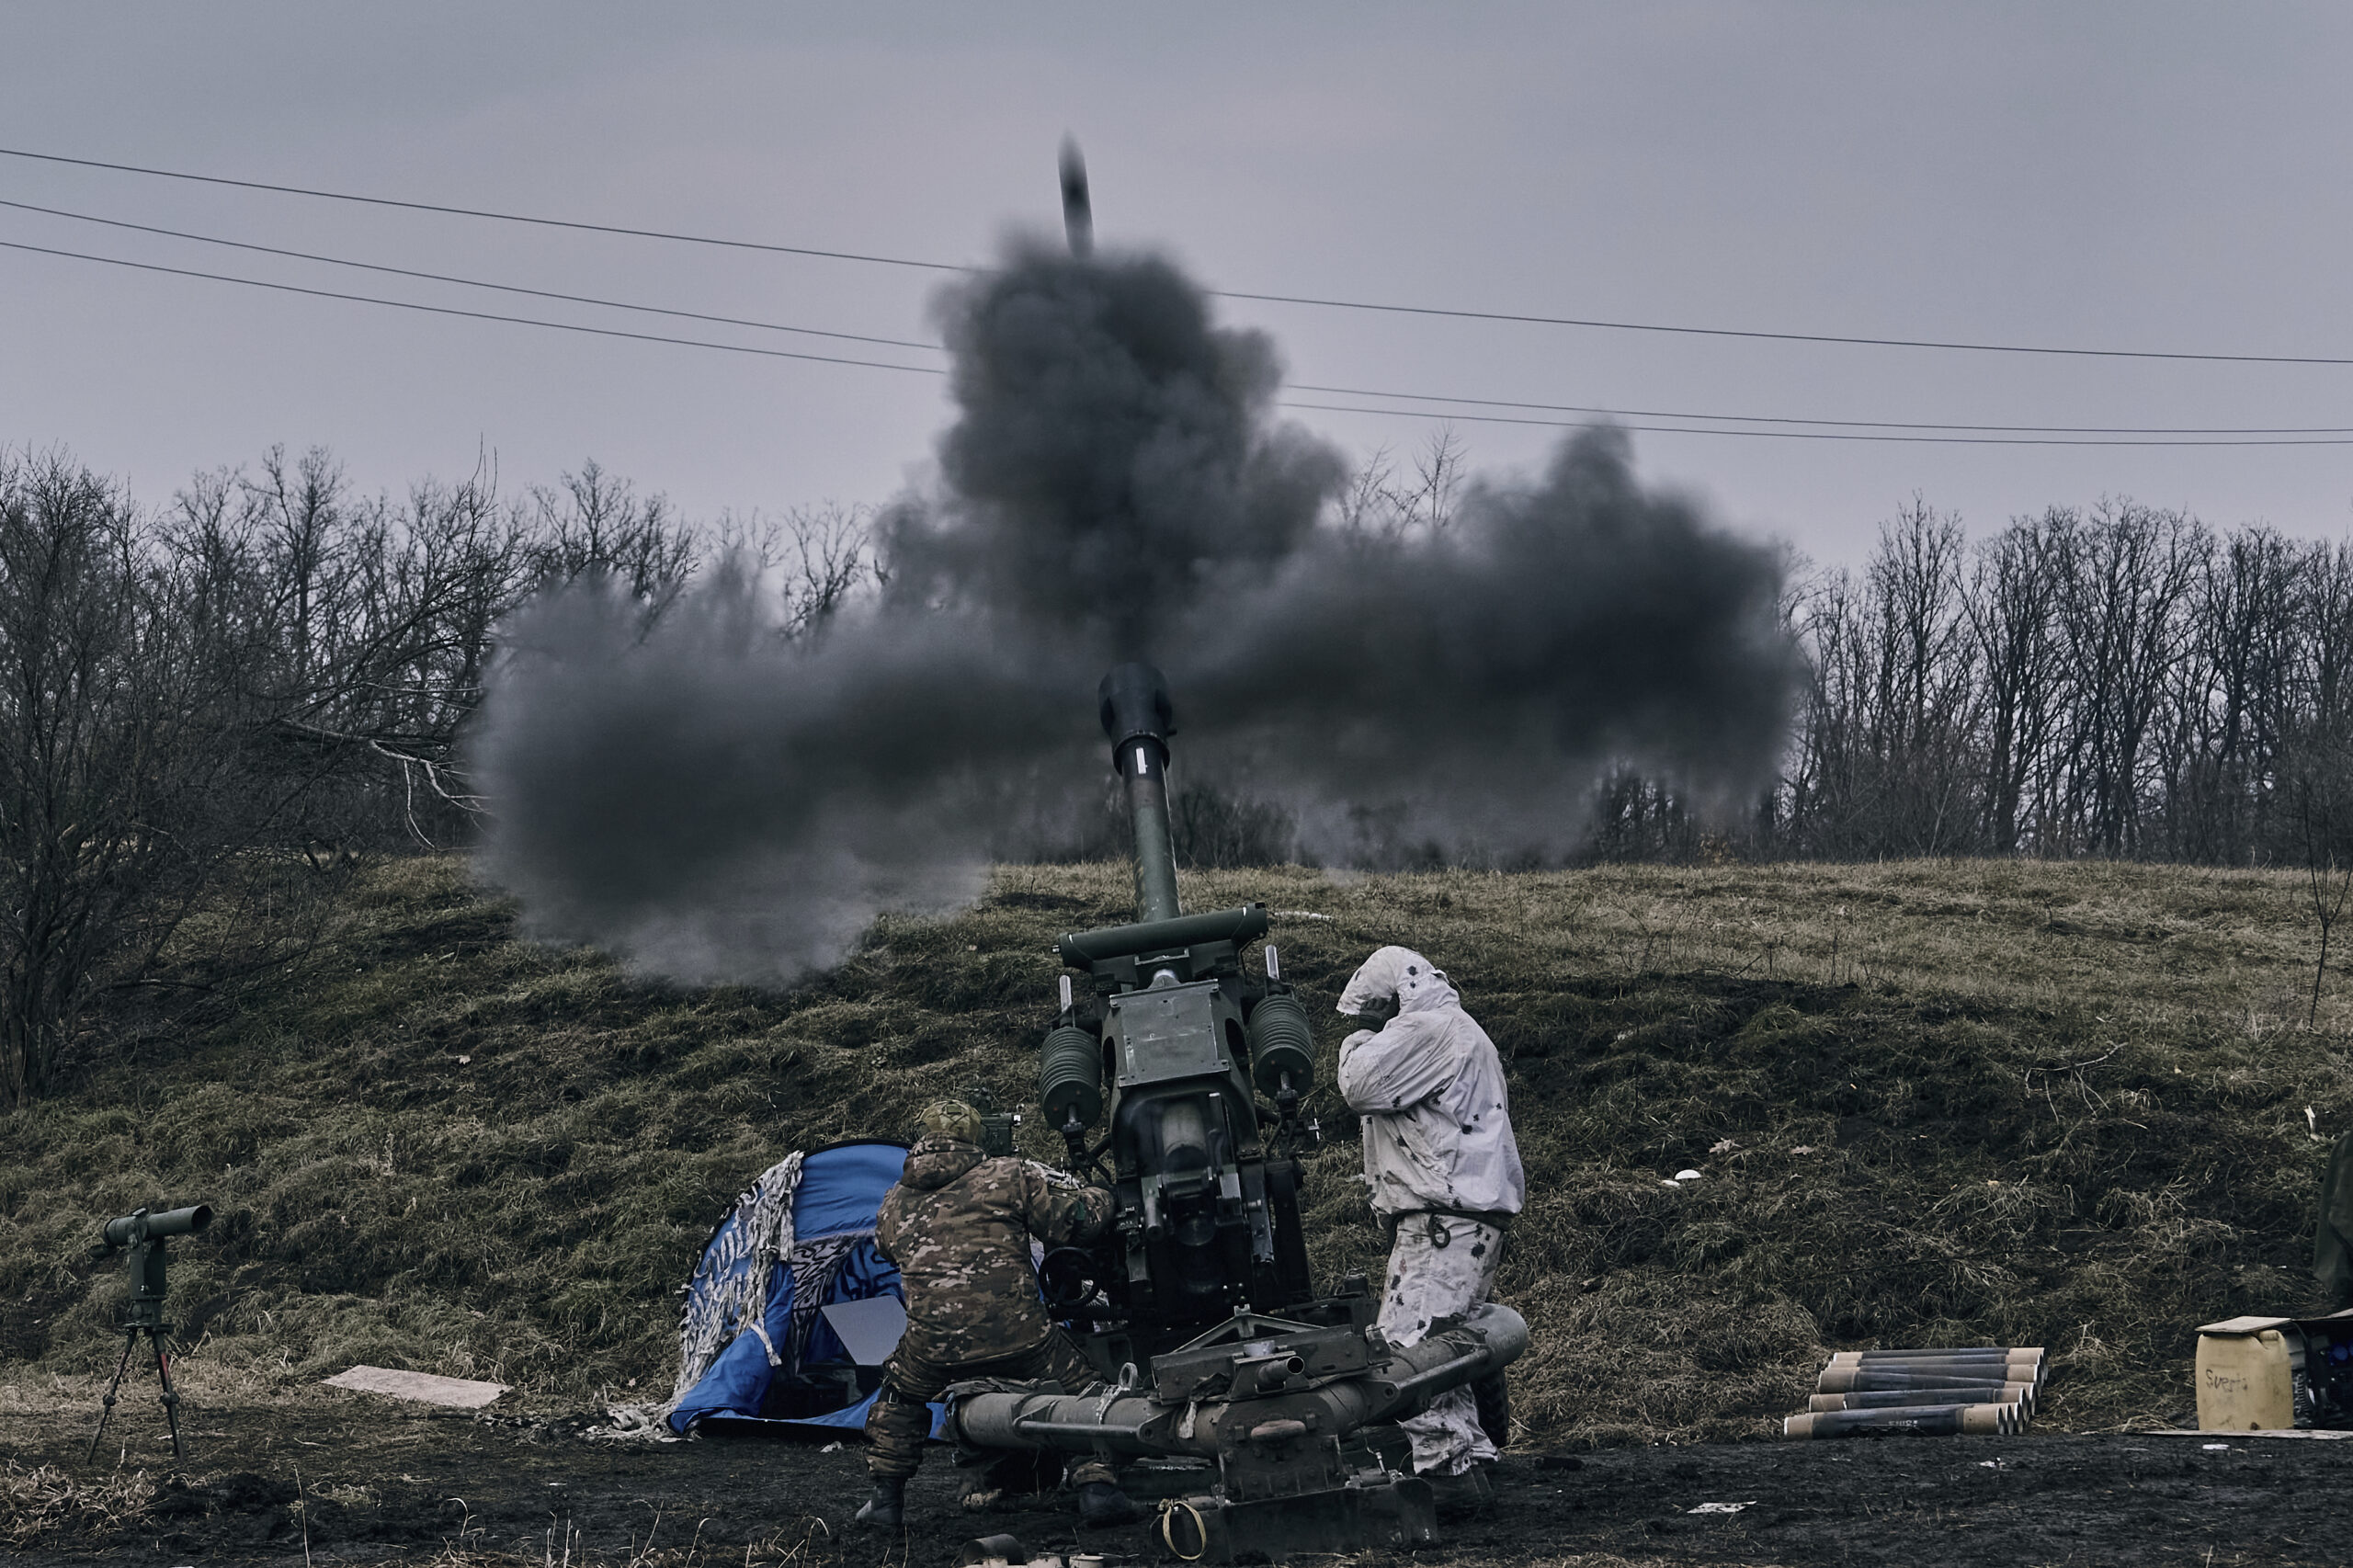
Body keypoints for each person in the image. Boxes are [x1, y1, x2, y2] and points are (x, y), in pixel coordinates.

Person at [857, 1099, 1142, 1529]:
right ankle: (1097, 1490)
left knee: (898, 1398)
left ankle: (885, 1499)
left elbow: (884, 1247)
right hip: (1021, 1335)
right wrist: (1106, 1195)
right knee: (1085, 1390)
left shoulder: (895, 1199)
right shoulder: (1010, 1174)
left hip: (932, 1346)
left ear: (921, 1137)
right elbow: (1074, 1223)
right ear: (976, 1136)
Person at [1336, 945, 1525, 1511]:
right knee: (1448, 1349)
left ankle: (1446, 1475)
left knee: (1410, 1353)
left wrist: (1359, 1036)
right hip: (1467, 1215)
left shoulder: (1428, 1029)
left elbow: (1359, 1084)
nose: (1369, 1026)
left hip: (1444, 1219)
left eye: (1373, 1013)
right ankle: (1473, 1460)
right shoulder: (1460, 1029)